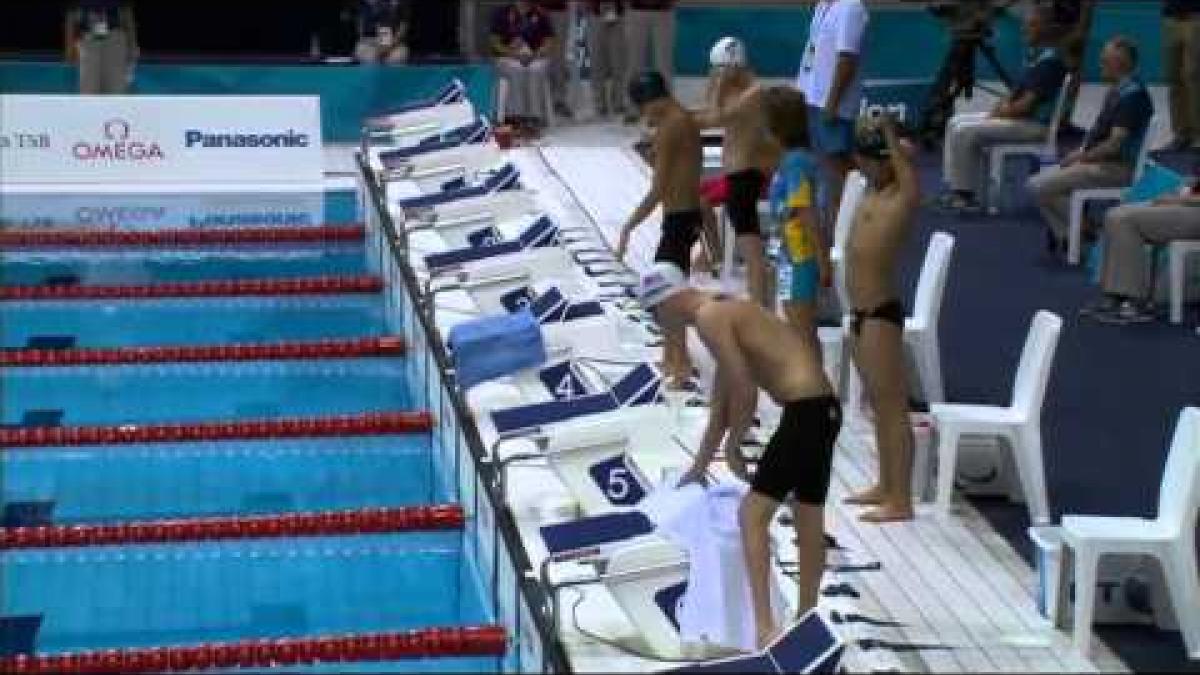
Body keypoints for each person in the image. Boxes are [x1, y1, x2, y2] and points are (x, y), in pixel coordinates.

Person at [635, 262, 842, 649]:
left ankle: (765, 629)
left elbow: (745, 392)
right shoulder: (721, 309)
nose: (659, 321)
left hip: (806, 414)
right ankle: (806, 617)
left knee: (752, 516)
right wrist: (699, 466)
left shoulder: (711, 318)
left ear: (668, 302)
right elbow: (722, 400)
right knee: (807, 515)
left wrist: (733, 449)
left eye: (655, 312)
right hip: (824, 410)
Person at [843, 115, 920, 523]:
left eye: (871, 160)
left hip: (879, 314)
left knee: (892, 407)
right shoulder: (870, 194)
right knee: (877, 404)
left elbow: (910, 179)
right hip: (859, 314)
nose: (865, 166)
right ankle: (885, 485)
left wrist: (891, 136)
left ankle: (901, 499)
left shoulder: (899, 199)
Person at [616, 71, 703, 390]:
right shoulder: (684, 118)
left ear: (650, 102)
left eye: (643, 110)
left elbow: (658, 189)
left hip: (680, 219)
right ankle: (673, 356)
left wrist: (628, 226)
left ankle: (680, 364)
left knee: (666, 295)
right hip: (686, 215)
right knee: (668, 291)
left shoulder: (670, 128)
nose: (644, 118)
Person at [934, 6, 1068, 213]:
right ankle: (956, 187)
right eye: (1025, 25)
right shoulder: (1035, 57)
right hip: (1019, 119)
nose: (1024, 30)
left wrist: (998, 113)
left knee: (965, 132)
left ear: (1046, 29)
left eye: (1031, 25)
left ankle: (965, 196)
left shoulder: (1049, 63)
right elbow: (1015, 93)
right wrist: (999, 108)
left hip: (1034, 125)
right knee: (955, 121)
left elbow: (1025, 106)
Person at [1028, 37, 1154, 255]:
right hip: (1101, 160)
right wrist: (1080, 152)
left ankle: (1083, 230)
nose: (1099, 64)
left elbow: (1114, 145)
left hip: (1118, 168)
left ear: (1119, 64)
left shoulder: (1132, 97)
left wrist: (1081, 158)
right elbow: (1098, 136)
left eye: (1104, 61)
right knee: (1043, 183)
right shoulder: (1117, 91)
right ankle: (1071, 233)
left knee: (1038, 186)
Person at [692, 37, 783, 308]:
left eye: (719, 70)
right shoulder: (738, 90)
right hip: (737, 176)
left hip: (749, 178)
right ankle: (715, 258)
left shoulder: (754, 94)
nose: (715, 76)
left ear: (733, 67)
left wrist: (716, 88)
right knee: (695, 197)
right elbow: (709, 114)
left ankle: (758, 306)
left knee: (752, 248)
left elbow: (717, 117)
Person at [764, 86, 830, 350]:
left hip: (799, 258)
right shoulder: (791, 159)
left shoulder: (796, 164)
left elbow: (806, 213)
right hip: (788, 255)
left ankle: (814, 389)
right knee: (796, 332)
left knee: (802, 336)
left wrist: (822, 261)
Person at [797, 0, 869, 243]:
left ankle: (856, 222)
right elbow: (815, 50)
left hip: (831, 103)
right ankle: (835, 226)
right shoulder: (822, 5)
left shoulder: (850, 7)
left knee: (839, 168)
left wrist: (832, 102)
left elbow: (846, 59)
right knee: (823, 168)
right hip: (812, 98)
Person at [1081, 177, 1200, 324]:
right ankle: (1115, 296)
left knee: (1126, 220)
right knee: (1114, 214)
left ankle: (1133, 301)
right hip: (1189, 202)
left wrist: (1181, 200)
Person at [490, 0, 558, 135]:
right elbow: (494, 42)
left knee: (535, 70)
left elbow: (550, 41)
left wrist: (537, 53)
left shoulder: (540, 14)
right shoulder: (502, 13)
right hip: (507, 57)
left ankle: (534, 118)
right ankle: (515, 117)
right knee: (516, 69)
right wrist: (513, 54)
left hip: (535, 57)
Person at [65, 0, 137, 95]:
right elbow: (71, 14)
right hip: (88, 39)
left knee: (117, 90)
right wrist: (69, 46)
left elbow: (127, 11)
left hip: (115, 39)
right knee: (88, 91)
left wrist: (132, 45)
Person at [623, 0, 677, 124]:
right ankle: (633, 107)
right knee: (634, 62)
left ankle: (664, 106)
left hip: (664, 11)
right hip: (636, 10)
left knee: (664, 63)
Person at [1161, 0, 1200, 151]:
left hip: (1196, 17)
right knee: (1173, 78)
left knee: (1193, 76)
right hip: (1171, 16)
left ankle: (1198, 135)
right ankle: (1180, 134)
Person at [584, 0, 627, 118]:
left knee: (619, 63)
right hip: (595, 14)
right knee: (597, 63)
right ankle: (599, 103)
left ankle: (618, 102)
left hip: (618, 15)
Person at [537, 0, 575, 119]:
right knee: (539, 56)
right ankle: (538, 101)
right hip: (536, 10)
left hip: (559, 10)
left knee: (558, 58)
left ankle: (559, 100)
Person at [351, 0, 411, 65]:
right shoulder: (363, 4)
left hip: (395, 45)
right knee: (370, 59)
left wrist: (387, 46)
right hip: (368, 43)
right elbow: (360, 30)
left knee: (395, 59)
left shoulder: (400, 4)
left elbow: (402, 28)